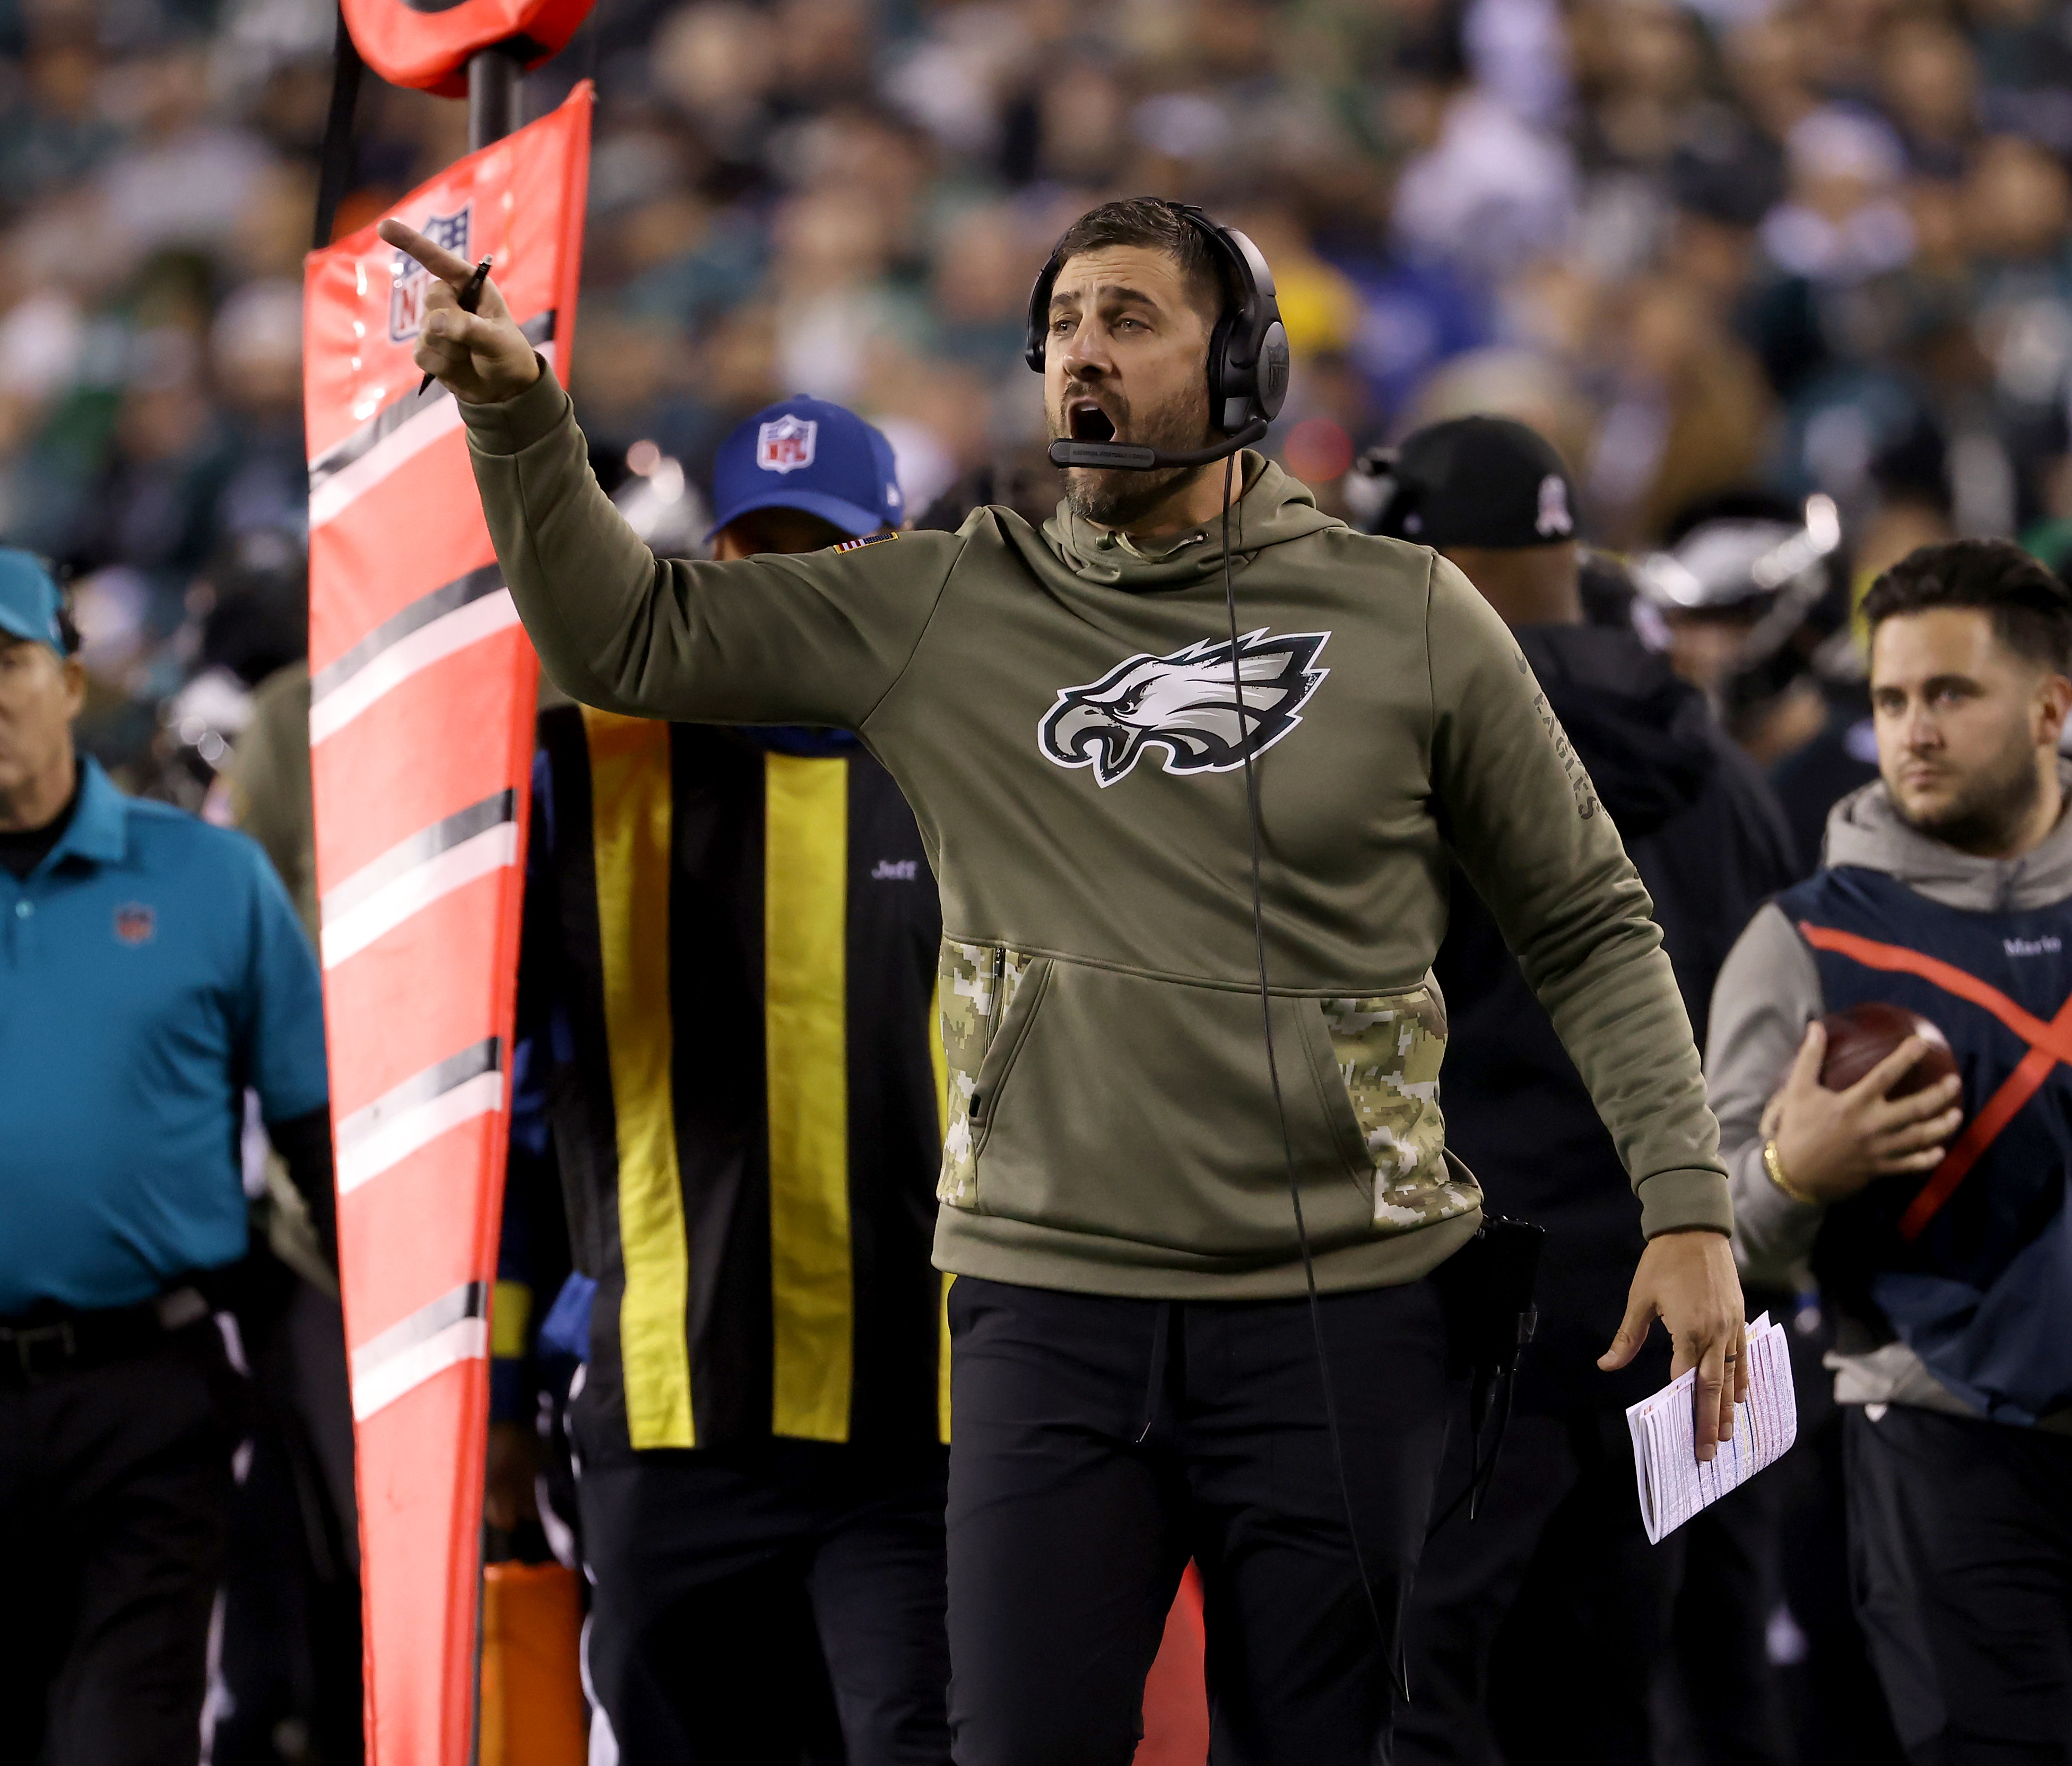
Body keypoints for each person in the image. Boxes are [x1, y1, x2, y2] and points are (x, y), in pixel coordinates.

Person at [384, 195, 1748, 1766]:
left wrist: (1688, 1202)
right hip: (1049, 1306)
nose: (1080, 357)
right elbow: (627, 634)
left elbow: (1586, 919)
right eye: (1062, 328)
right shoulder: (954, 603)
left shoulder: (1411, 619)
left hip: (1341, 1305)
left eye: (1129, 320)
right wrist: (518, 417)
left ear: (1247, 364)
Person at [497, 396, 953, 1765]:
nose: (780, 586)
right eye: (750, 549)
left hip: (918, 1432)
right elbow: (499, 1106)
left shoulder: (978, 771)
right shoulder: (582, 769)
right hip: (671, 1417)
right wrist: (503, 1364)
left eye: (820, 548)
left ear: (890, 556)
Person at [1371, 417, 1799, 1766]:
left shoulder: (1422, 756)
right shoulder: (1721, 768)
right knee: (1623, 1701)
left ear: (1427, 550)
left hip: (1470, 1325)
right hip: (1687, 1318)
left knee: (1413, 1700)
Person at [1707, 538, 2072, 1763]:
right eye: (1892, 698)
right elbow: (1712, 1241)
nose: (1913, 729)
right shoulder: (1802, 944)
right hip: (1937, 1434)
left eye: (1951, 695)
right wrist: (1795, 1171)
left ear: (2050, 707)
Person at [0, 547, 334, 1766]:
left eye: (9, 661)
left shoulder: (209, 877)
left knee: (121, 1741)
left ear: (72, 684)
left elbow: (312, 1131)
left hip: (145, 1390)